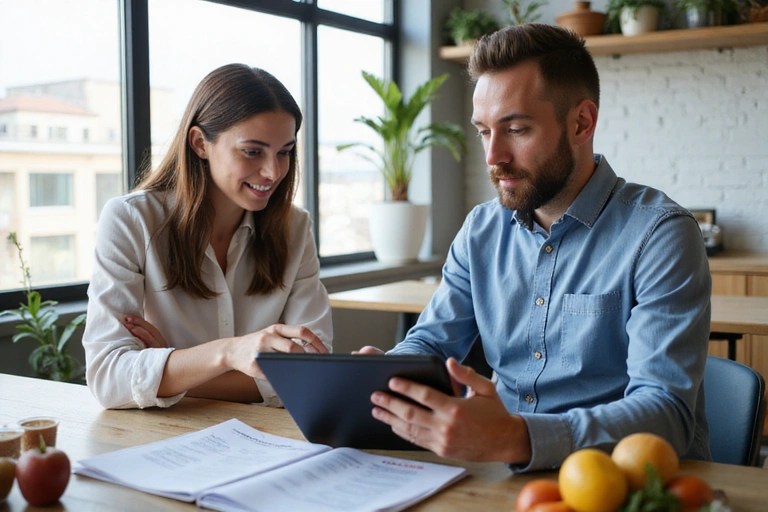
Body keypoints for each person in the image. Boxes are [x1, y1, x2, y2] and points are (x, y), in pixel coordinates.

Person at [357, 24, 712, 472]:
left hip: (630, 486)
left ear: (581, 122)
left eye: (517, 129)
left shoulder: (660, 234)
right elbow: (431, 341)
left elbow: (666, 413)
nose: (493, 156)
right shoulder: (480, 230)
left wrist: (518, 437)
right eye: (484, 131)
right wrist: (379, 374)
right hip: (504, 477)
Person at [83, 63, 332, 410]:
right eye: (252, 151)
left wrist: (174, 367)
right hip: (165, 441)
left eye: (285, 152)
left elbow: (312, 373)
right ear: (200, 143)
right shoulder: (131, 219)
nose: (273, 171)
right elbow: (108, 378)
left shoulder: (295, 228)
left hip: (266, 439)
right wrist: (229, 353)